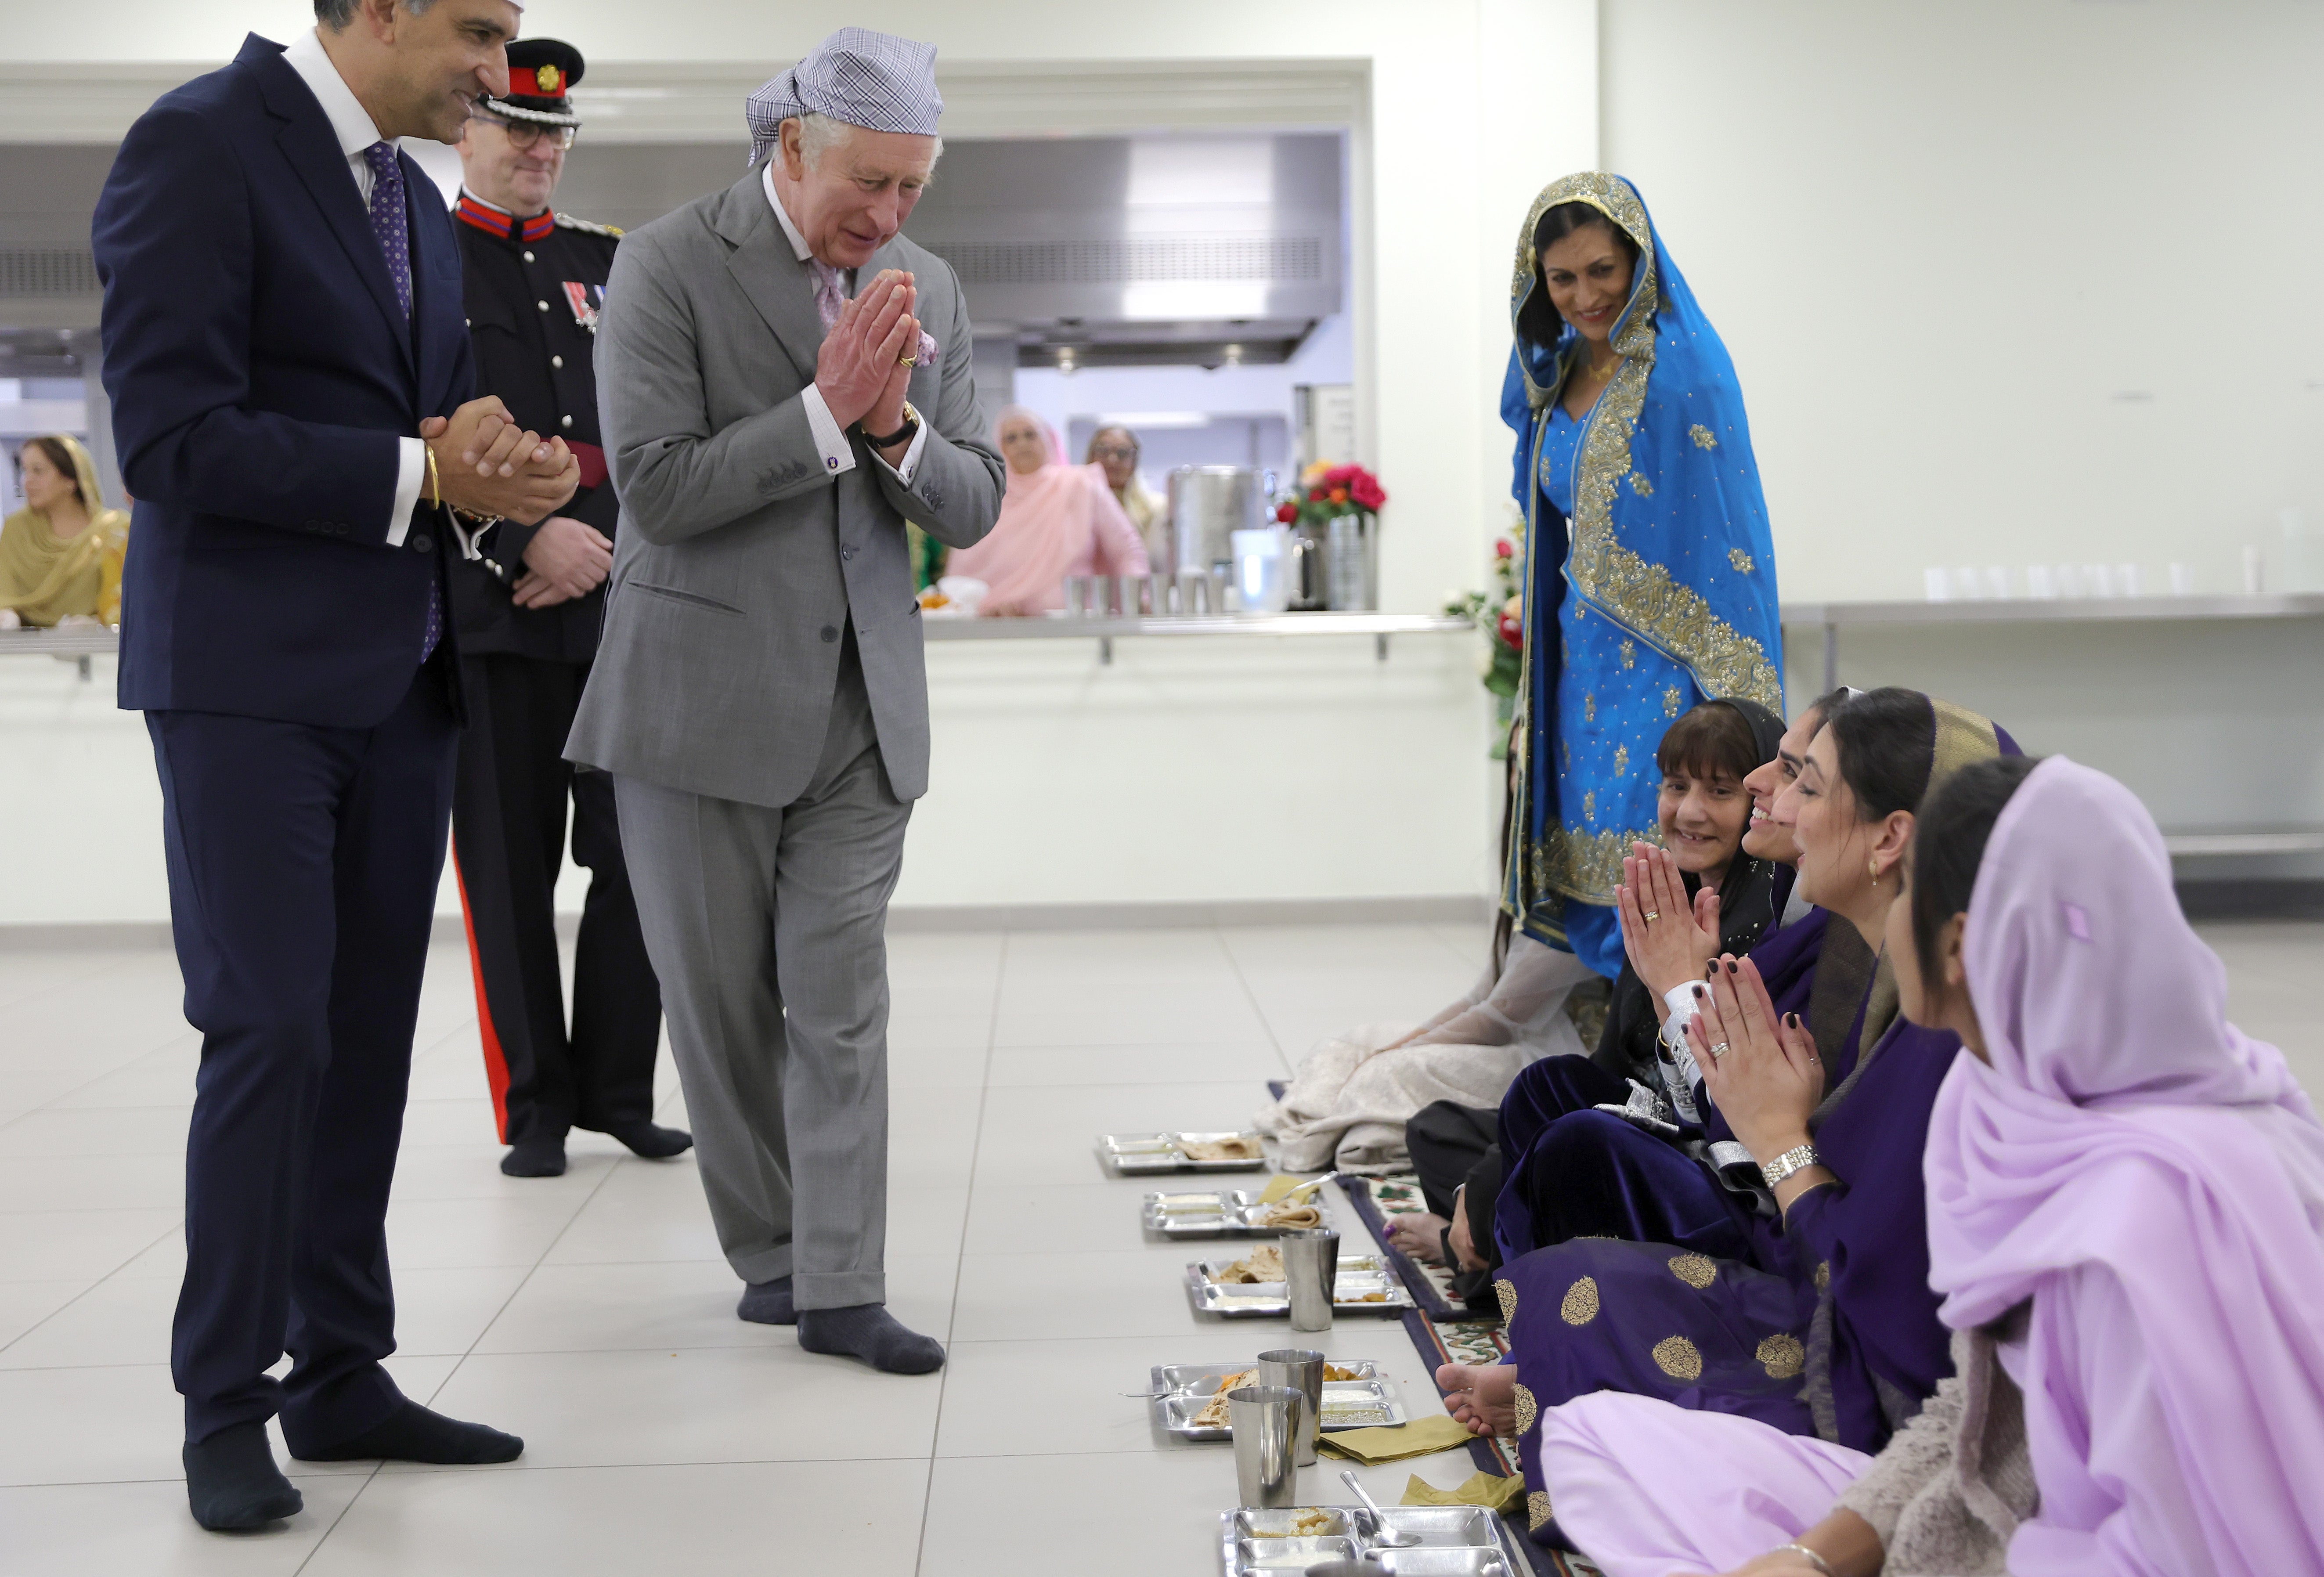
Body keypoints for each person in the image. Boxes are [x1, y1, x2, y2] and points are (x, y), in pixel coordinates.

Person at [92, 0, 581, 1531]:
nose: (497, 70)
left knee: (365, 1039)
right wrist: (420, 469)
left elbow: (425, 437)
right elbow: (170, 437)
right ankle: (224, 1402)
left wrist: (500, 479)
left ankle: (342, 1369)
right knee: (270, 1034)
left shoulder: (416, 203)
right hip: (246, 689)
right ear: (369, 10)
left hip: (402, 677)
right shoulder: (198, 147)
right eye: (474, 28)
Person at [1540, 754, 2324, 1577]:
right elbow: (1986, 1424)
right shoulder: (2006, 1100)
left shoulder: (2146, 1212)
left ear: (1956, 944)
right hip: (1981, 1501)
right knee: (1590, 1438)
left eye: (1908, 888)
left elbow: (2177, 1547)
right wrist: (1809, 1558)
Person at [565, 27, 1004, 1375]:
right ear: (791, 146)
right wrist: (825, 414)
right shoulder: (664, 263)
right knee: (716, 1005)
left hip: (862, 709)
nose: (885, 220)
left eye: (912, 191)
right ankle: (768, 1249)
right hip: (694, 700)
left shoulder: (925, 281)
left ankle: (841, 1285)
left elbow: (976, 498)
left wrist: (890, 430)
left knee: (839, 1000)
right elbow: (659, 487)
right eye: (865, 185)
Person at [1443, 691, 2014, 1545]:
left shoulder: (1941, 1025)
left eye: (1800, 779)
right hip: (1799, 1257)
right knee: (1566, 1200)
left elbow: (1886, 1300)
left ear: (1893, 836)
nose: (1768, 793)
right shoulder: (1879, 966)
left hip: (1866, 1368)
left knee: (1577, 1287)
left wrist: (1771, 1125)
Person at [446, 38, 687, 1180]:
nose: (538, 146)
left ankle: (619, 1089)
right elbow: (417, 442)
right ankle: (534, 1105)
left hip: (619, 616)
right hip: (491, 625)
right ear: (465, 129)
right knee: (510, 870)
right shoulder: (421, 267)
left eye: (553, 131)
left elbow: (668, 440)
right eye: (513, 124)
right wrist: (514, 540)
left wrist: (606, 545)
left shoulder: (614, 267)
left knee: (640, 862)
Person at [1381, 696, 1791, 1305]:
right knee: (1442, 1130)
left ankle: (1476, 1250)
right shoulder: (1664, 904)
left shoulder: (1773, 936)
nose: (1690, 811)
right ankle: (1489, 1233)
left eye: (1721, 791)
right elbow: (1606, 1070)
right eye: (1676, 785)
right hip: (1623, 1116)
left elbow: (1720, 1122)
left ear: (1761, 800)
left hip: (1698, 1172)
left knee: (1562, 1148)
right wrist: (1488, 1174)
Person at [1500, 172, 1784, 984]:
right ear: (1537, 282)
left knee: (1657, 846)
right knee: (1586, 853)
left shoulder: (1683, 375)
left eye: (1601, 270)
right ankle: (1595, 1020)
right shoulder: (1549, 381)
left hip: (1667, 666)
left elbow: (1731, 542)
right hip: (1578, 662)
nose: (1585, 295)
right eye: (1562, 278)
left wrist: (1738, 704)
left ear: (1639, 263)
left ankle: (1661, 1026)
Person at [940, 406, 1148, 615]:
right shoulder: (986, 501)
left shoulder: (1081, 485)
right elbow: (960, 579)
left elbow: (1127, 549)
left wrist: (1139, 599)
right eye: (1011, 438)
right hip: (1000, 627)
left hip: (1073, 626)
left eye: (1030, 435)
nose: (1022, 444)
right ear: (999, 448)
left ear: (1048, 439)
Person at [0, 435, 130, 628]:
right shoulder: (17, 530)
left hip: (99, 649)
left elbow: (125, 603)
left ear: (71, 479)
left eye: (38, 471)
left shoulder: (114, 530)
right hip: (24, 649)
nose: (27, 481)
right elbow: (6, 595)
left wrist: (95, 624)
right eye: (25, 470)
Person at [1087, 422, 1166, 570]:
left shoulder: (1156, 509)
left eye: (1122, 453)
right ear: (1090, 456)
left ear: (1135, 462)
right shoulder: (1072, 506)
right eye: (1103, 451)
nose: (1112, 460)